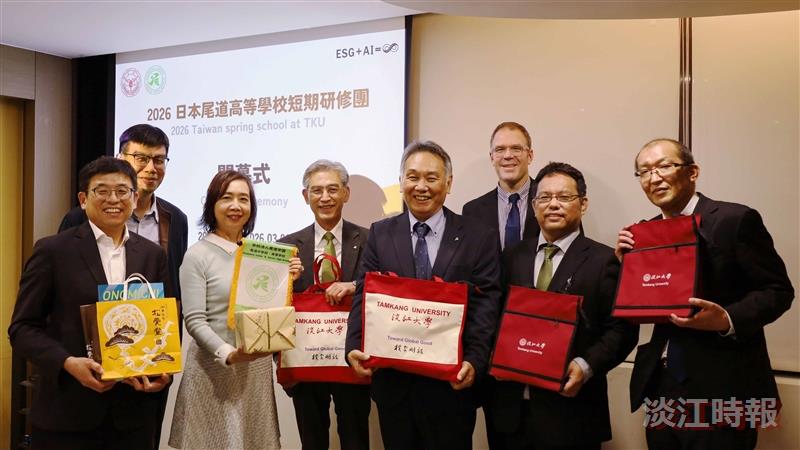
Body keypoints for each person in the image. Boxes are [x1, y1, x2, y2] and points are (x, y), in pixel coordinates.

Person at [617, 138, 794, 449]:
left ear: (692, 171)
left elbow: (778, 291)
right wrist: (626, 267)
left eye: (664, 166)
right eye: (644, 171)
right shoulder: (643, 233)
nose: (653, 177)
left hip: (725, 384)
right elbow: (648, 300)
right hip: (662, 383)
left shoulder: (735, 219)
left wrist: (727, 319)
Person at [345, 140, 503, 450]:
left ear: (448, 183)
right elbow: (364, 292)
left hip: (451, 386)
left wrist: (475, 358)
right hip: (395, 384)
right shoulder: (380, 232)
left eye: (431, 178)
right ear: (401, 181)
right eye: (412, 177)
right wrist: (353, 345)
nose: (421, 186)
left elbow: (487, 302)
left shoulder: (478, 236)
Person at [8, 157, 172, 450]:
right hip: (67, 415)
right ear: (83, 199)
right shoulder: (53, 250)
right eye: (102, 191)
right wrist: (67, 363)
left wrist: (161, 373)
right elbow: (22, 329)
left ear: (135, 198)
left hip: (132, 417)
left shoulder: (152, 255)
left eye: (123, 191)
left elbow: (162, 324)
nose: (113, 199)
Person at [490, 162, 638, 450]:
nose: (553, 205)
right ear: (534, 207)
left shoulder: (605, 260)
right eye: (544, 198)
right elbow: (494, 315)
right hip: (510, 413)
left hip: (573, 413)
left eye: (564, 197)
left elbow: (622, 329)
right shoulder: (512, 255)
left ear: (583, 204)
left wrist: (586, 365)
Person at [168, 170, 302, 449]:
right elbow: (194, 320)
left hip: (255, 367)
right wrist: (228, 354)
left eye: (244, 199)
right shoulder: (197, 254)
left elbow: (270, 312)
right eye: (226, 197)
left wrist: (287, 281)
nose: (236, 206)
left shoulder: (261, 254)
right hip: (214, 368)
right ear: (212, 206)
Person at [278, 160, 371, 450]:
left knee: (355, 438)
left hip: (352, 358)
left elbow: (380, 288)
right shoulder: (286, 246)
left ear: (346, 193)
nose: (325, 197)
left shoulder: (371, 239)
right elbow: (273, 305)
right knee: (312, 441)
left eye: (333, 189)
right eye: (316, 191)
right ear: (305, 196)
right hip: (305, 362)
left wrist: (353, 286)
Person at [59, 124, 188, 300]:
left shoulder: (176, 219)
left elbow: (172, 287)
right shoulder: (78, 218)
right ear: (119, 159)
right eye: (141, 158)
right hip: (88, 321)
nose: (151, 168)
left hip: (148, 323)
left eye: (159, 160)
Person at [462, 121, 539, 251]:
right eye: (500, 149)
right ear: (492, 158)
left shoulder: (553, 202)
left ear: (530, 156)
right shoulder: (472, 212)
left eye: (516, 148)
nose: (508, 155)